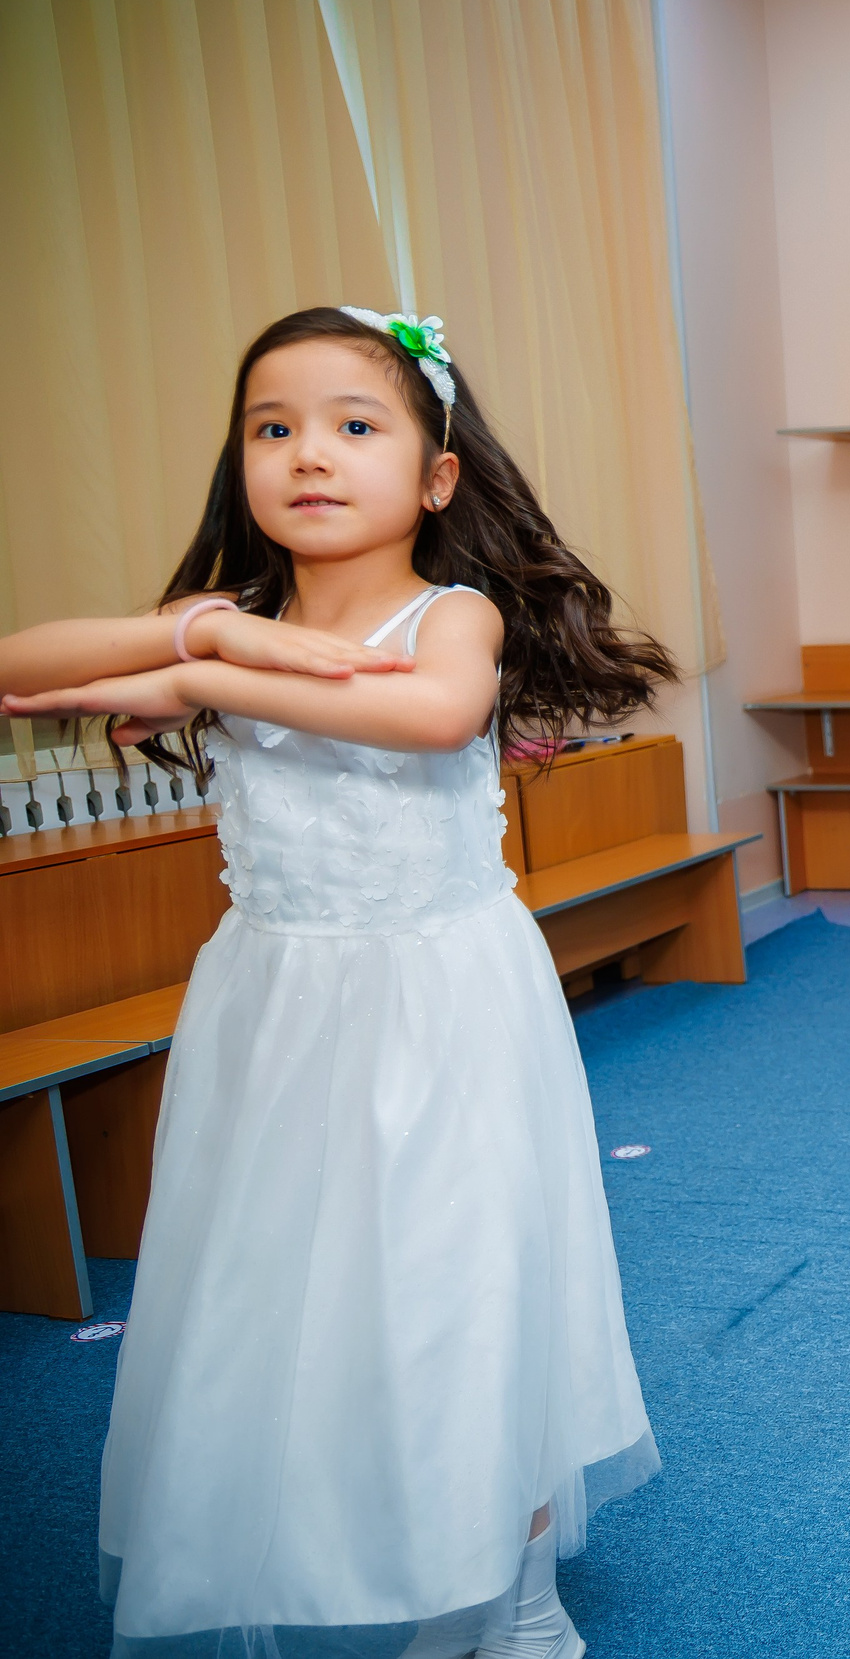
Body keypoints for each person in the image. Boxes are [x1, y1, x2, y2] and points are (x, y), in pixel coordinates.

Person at [0, 306, 670, 1658]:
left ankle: (516, 1594)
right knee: (294, 1300)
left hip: (442, 999)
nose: (310, 452)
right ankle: (362, 1546)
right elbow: (22, 667)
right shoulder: (233, 622)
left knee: (461, 1284)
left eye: (355, 425)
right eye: (273, 426)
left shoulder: (454, 612)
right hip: (275, 1006)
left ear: (434, 474)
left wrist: (224, 669)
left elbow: (430, 712)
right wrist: (205, 632)